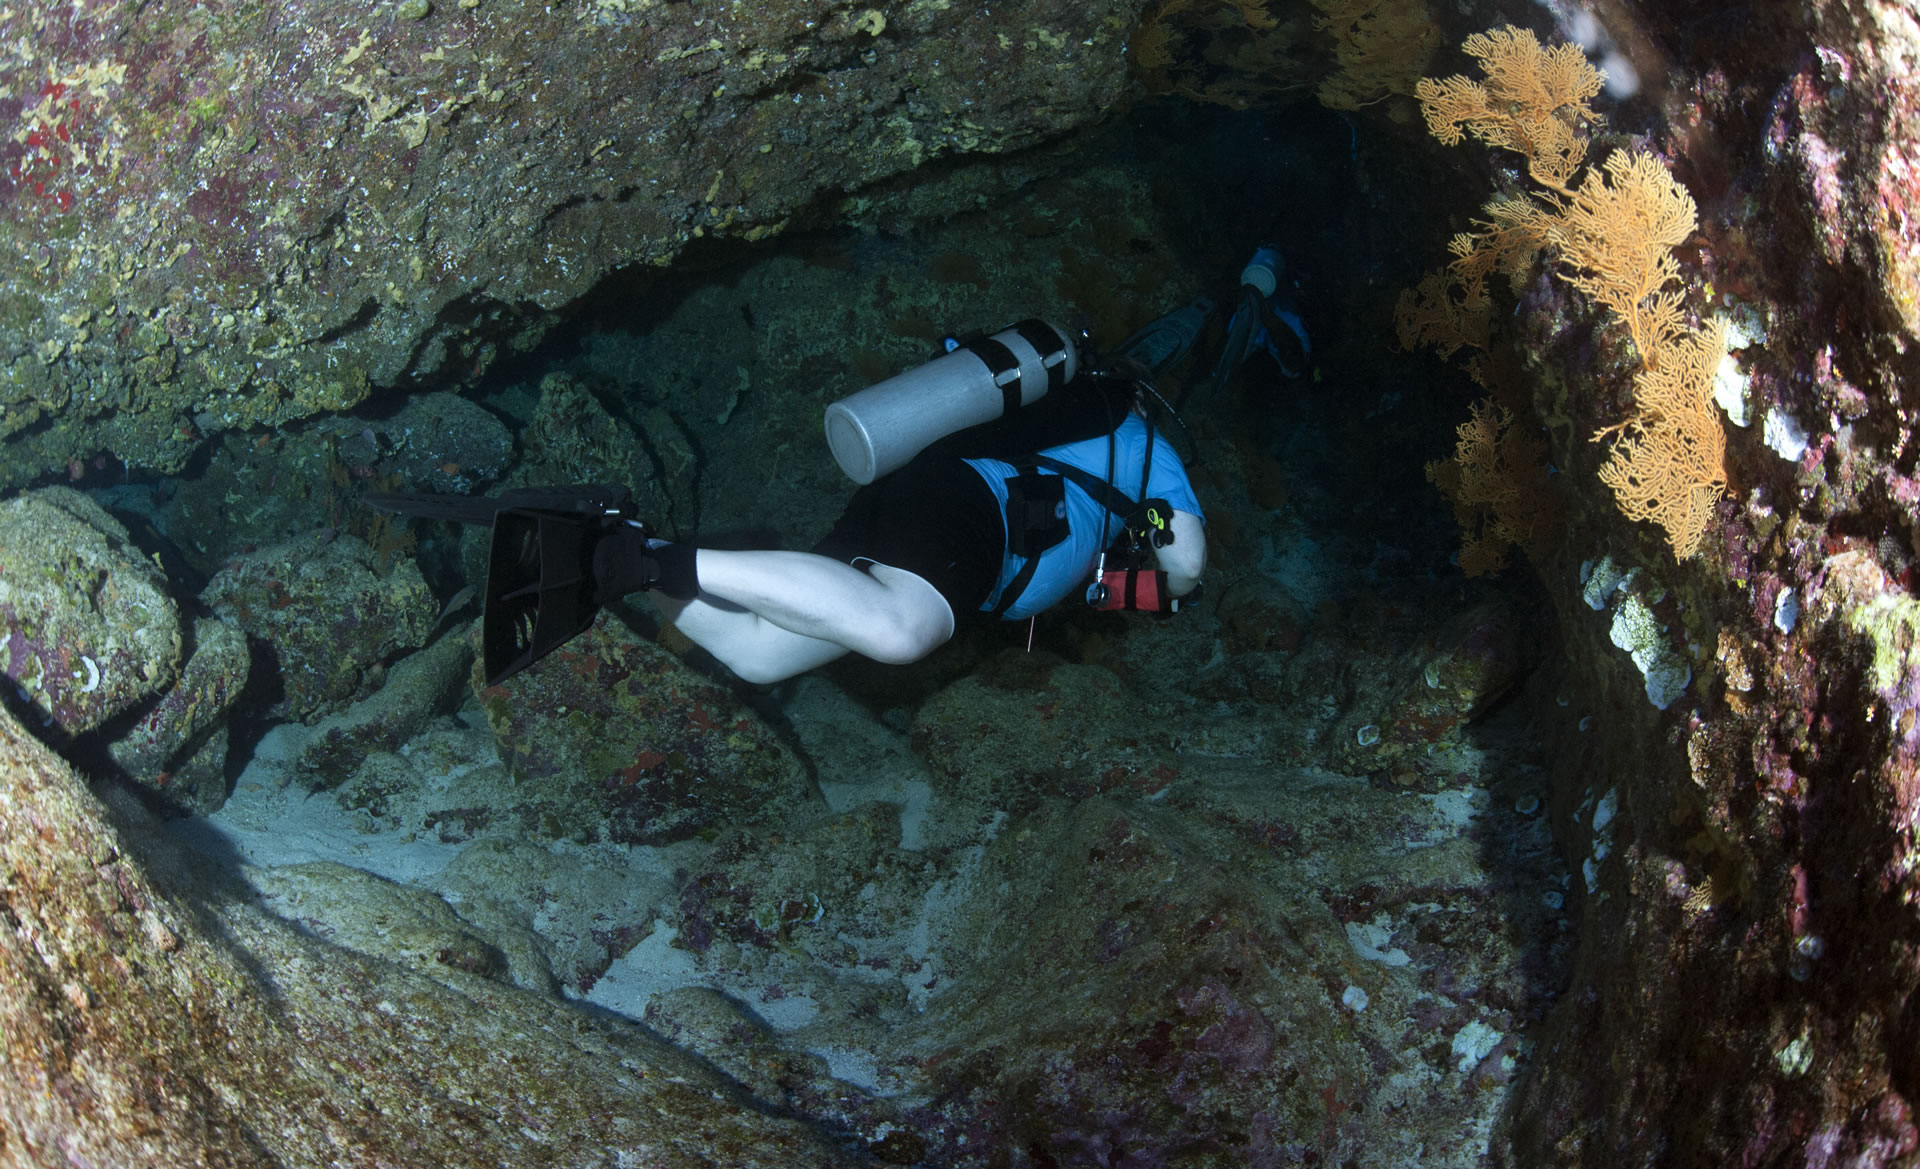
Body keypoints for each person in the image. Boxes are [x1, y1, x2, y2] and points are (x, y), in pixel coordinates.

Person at [590, 368, 1206, 684]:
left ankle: (624, 545)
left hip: (922, 493)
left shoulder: (1062, 421)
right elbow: (1187, 568)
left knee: (760, 654)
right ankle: (645, 561)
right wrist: (1149, 591)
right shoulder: (1150, 448)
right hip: (977, 512)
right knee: (901, 632)